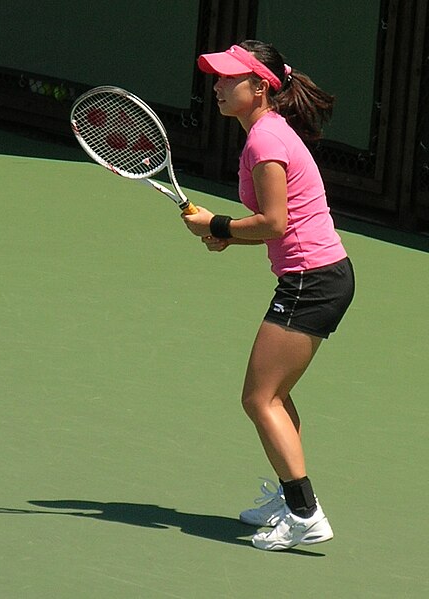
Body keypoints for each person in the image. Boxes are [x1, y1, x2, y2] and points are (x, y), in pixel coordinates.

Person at [182, 40, 355, 551]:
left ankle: (305, 514)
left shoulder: (264, 140)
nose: (216, 85)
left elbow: (276, 223)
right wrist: (229, 233)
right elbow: (279, 223)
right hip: (318, 277)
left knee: (259, 398)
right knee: (273, 395)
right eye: (214, 77)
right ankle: (292, 496)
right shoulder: (266, 133)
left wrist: (219, 224)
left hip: (312, 280)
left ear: (259, 86)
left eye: (227, 78)